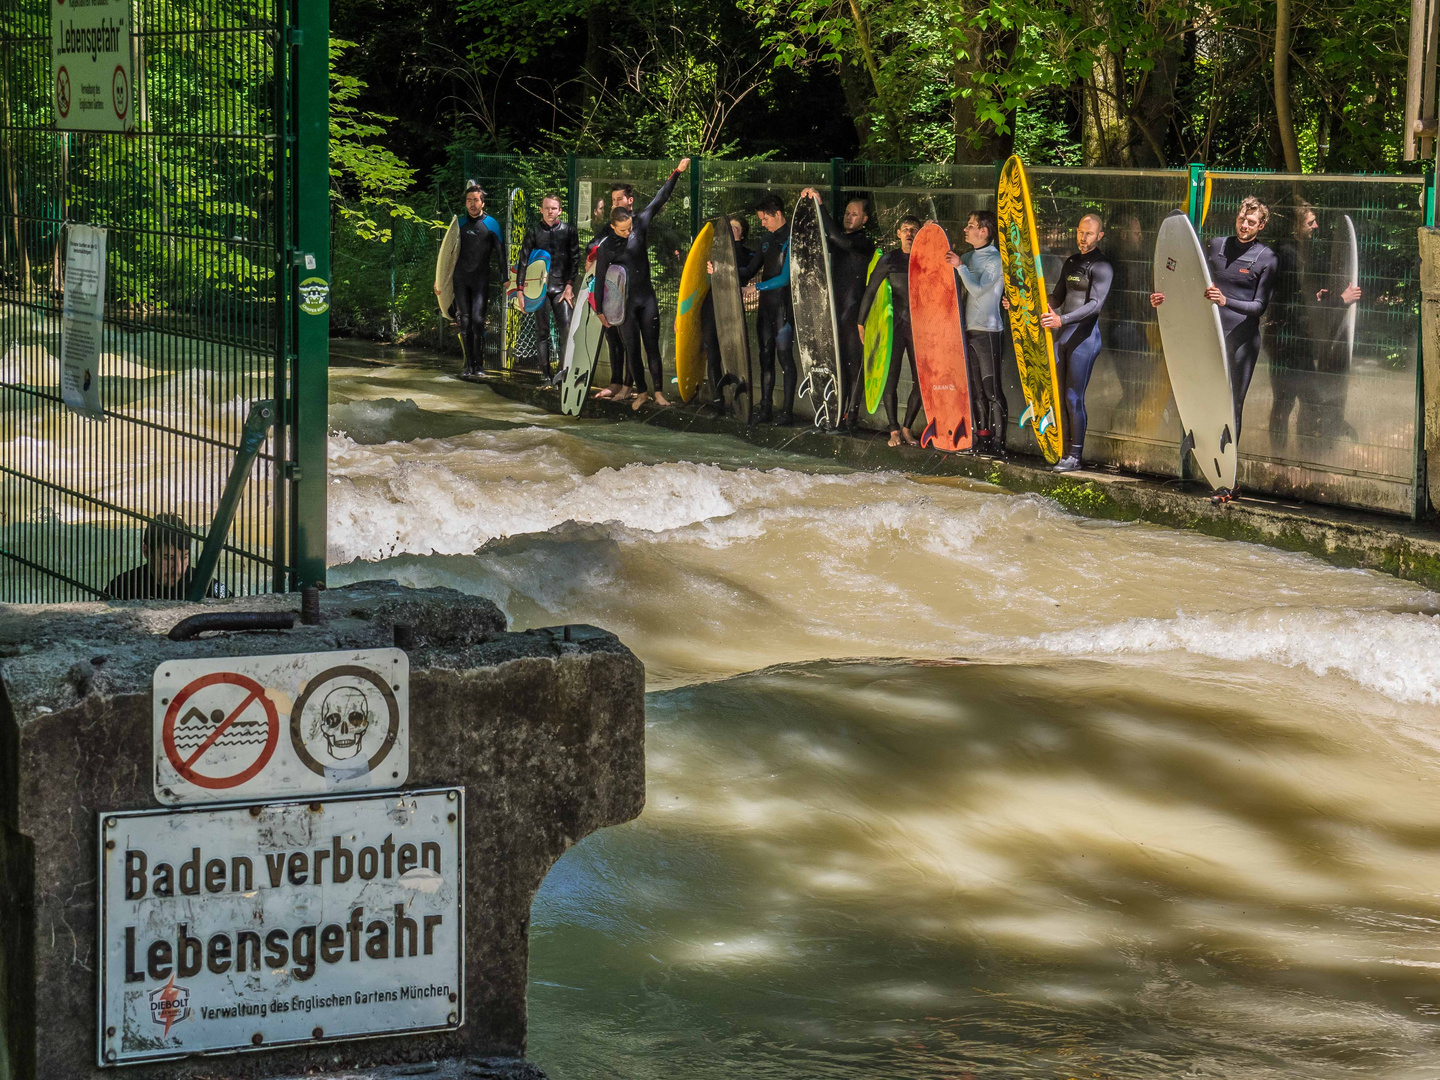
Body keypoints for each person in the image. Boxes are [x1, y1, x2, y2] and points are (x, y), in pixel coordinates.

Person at [1151, 196, 1277, 503]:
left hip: (1241, 342)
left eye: (1251, 222)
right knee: (1199, 396)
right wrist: (1164, 298)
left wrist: (1225, 301)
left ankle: (1228, 482)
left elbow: (1259, 307)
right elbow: (1188, 282)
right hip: (1208, 338)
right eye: (1241, 219)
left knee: (1231, 406)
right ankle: (1206, 467)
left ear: (1261, 225)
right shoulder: (1216, 246)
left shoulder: (1266, 257)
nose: (1244, 225)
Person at [592, 158, 692, 409]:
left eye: (629, 230)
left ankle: (658, 392)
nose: (628, 233)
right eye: (622, 231)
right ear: (613, 226)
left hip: (646, 298)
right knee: (632, 351)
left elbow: (660, 198)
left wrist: (677, 172)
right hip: (624, 306)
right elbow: (601, 280)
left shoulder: (640, 223)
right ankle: (642, 392)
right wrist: (600, 311)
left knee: (652, 347)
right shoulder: (606, 248)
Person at [1042, 213, 1113, 472]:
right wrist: (1030, 303)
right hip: (1063, 337)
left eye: (1090, 234)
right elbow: (1057, 297)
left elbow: (1095, 305)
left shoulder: (1102, 266)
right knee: (1058, 396)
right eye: (1081, 232)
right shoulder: (1071, 262)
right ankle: (1062, 448)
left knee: (1073, 398)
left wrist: (1062, 320)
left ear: (1099, 236)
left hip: (1084, 339)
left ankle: (1075, 456)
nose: (1084, 238)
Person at [802, 188, 876, 428]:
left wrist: (820, 206)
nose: (849, 217)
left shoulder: (863, 241)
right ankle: (836, 411)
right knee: (837, 365)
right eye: (847, 213)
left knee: (853, 365)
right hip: (834, 311)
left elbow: (838, 239)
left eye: (855, 214)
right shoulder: (838, 242)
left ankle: (852, 416)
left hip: (852, 312)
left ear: (864, 219)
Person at [858, 215, 923, 447]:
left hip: (918, 330)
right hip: (894, 328)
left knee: (921, 383)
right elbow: (870, 291)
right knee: (890, 380)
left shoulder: (925, 260)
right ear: (898, 234)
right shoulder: (888, 260)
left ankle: (907, 428)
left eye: (913, 229)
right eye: (905, 229)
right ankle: (893, 429)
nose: (909, 233)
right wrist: (861, 322)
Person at [944, 210, 1005, 455]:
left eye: (971, 226)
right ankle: (983, 439)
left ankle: (1000, 443)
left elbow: (979, 290)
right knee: (976, 391)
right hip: (966, 332)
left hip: (988, 332)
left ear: (984, 231)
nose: (966, 229)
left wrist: (961, 268)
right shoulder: (967, 256)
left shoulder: (995, 259)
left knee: (992, 390)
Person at [740, 195, 797, 424]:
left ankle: (787, 412)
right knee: (765, 357)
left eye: (765, 219)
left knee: (784, 356)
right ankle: (765, 408)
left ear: (778, 214)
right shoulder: (765, 239)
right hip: (765, 308)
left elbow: (785, 278)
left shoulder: (792, 238)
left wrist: (757, 287)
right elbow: (750, 269)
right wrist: (723, 267)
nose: (762, 223)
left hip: (782, 306)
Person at [435, 182, 501, 376]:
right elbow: (447, 256)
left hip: (481, 280)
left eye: (476, 200)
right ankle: (468, 365)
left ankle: (478, 365)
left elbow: (501, 254)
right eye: (469, 200)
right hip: (461, 279)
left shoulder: (491, 225)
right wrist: (439, 281)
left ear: (483, 203)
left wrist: (507, 279)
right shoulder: (459, 225)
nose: (472, 204)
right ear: (465, 203)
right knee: (464, 322)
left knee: (478, 321)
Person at [515, 192, 579, 379]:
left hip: (561, 288)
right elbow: (523, 260)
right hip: (540, 289)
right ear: (541, 210)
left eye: (553, 208)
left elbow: (575, 259)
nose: (550, 211)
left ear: (560, 210)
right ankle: (545, 375)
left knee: (566, 331)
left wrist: (569, 286)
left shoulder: (568, 230)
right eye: (547, 208)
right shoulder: (534, 231)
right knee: (541, 331)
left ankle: (562, 373)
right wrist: (520, 290)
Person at [700, 215, 755, 411]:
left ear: (743, 233)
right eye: (729, 228)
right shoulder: (715, 252)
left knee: (732, 353)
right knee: (712, 352)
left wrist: (724, 269)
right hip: (712, 305)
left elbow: (748, 272)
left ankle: (738, 400)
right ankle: (717, 400)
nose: (731, 231)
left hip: (731, 308)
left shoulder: (748, 254)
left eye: (736, 228)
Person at [107, 514, 229, 601]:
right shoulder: (122, 587)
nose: (179, 569)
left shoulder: (206, 586)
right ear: (146, 551)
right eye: (168, 558)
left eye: (185, 557)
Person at [591, 182, 637, 400]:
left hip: (632, 292)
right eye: (613, 200)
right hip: (612, 292)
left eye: (619, 199)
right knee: (612, 334)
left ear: (630, 201)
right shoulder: (610, 226)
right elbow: (593, 246)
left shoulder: (638, 225)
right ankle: (616, 381)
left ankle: (630, 384)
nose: (615, 204)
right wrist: (591, 257)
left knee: (629, 338)